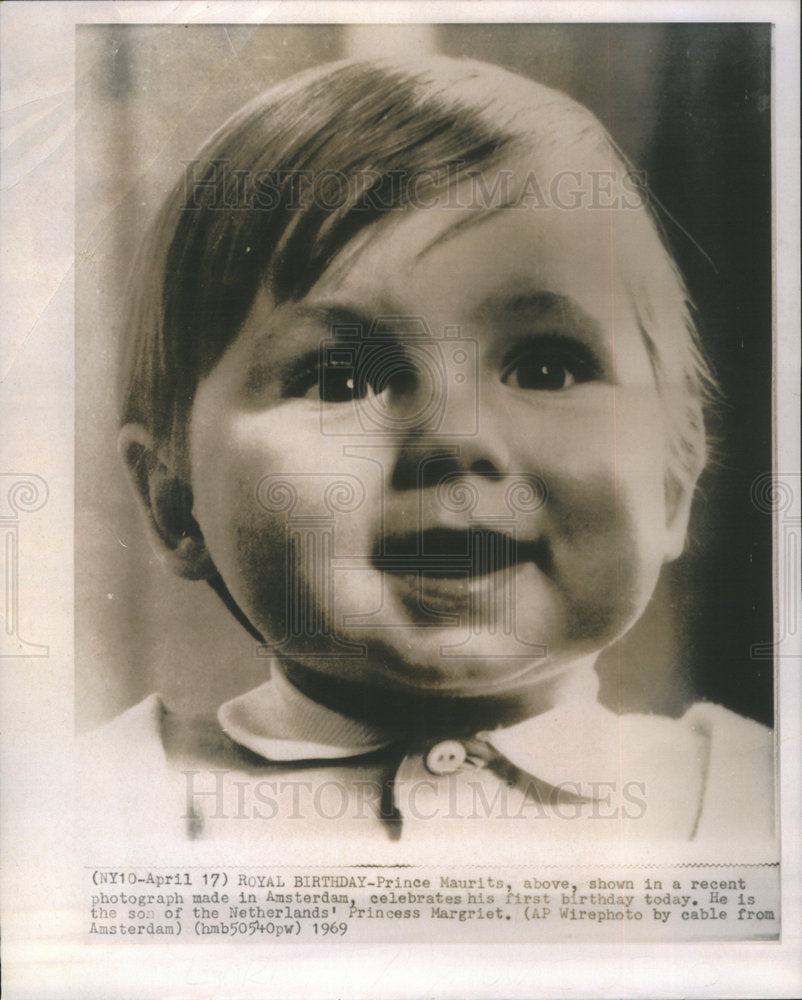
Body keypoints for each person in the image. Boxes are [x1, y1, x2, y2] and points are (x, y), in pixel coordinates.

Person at [82, 55, 773, 849]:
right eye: (341, 379)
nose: (454, 439)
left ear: (674, 480)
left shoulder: (754, 805)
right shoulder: (95, 808)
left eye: (546, 368)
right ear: (172, 503)